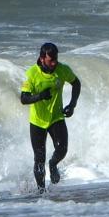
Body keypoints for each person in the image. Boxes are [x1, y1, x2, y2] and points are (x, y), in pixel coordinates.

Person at [21, 42, 81, 193]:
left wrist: (72, 104)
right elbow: (24, 99)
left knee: (62, 149)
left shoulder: (62, 69)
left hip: (56, 118)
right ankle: (41, 192)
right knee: (39, 159)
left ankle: (53, 164)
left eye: (55, 59)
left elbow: (76, 83)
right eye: (50, 60)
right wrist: (40, 96)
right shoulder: (31, 74)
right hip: (37, 122)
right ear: (42, 59)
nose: (54, 63)